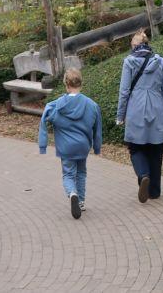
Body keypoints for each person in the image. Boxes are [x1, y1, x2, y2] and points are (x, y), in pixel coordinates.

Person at [116, 29, 163, 203]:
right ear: (147, 44)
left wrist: (120, 115)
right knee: (156, 149)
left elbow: (124, 91)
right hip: (157, 109)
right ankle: (155, 191)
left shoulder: (129, 62)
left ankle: (143, 175)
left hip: (135, 109)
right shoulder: (161, 62)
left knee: (136, 147)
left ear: (134, 45)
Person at [38, 68, 102, 219]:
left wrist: (43, 145)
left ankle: (72, 193)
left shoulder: (56, 105)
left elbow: (44, 119)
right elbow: (97, 129)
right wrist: (97, 148)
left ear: (66, 85)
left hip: (66, 147)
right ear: (81, 83)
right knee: (81, 172)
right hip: (83, 146)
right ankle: (81, 202)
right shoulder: (92, 105)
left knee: (68, 174)